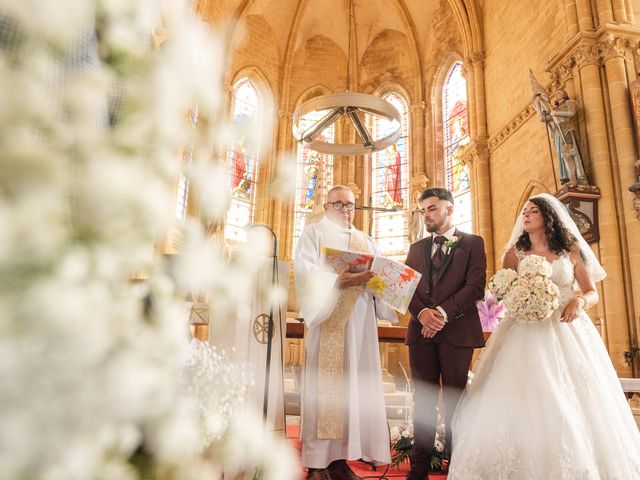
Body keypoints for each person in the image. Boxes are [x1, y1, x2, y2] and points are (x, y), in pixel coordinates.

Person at [448, 193, 640, 479]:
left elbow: (592, 292)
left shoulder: (571, 250)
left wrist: (580, 301)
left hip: (566, 327)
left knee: (574, 398)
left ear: (548, 216)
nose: (525, 215)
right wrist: (517, 299)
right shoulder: (514, 254)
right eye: (524, 210)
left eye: (533, 210)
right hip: (522, 330)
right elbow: (505, 292)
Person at [295, 185, 397, 480]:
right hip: (328, 324)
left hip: (360, 327)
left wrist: (382, 282)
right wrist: (338, 280)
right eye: (338, 204)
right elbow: (304, 275)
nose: (345, 210)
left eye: (350, 205)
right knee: (325, 393)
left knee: (351, 392)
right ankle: (317, 464)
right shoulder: (313, 233)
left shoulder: (365, 240)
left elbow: (382, 278)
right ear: (326, 207)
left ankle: (340, 460)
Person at [404, 187, 487, 480]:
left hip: (458, 332)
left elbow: (475, 286)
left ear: (450, 210)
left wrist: (440, 313)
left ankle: (457, 465)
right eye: (423, 210)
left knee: (455, 399)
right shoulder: (416, 249)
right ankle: (418, 470)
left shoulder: (473, 243)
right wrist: (422, 313)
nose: (426, 215)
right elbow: (406, 287)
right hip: (420, 333)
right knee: (423, 400)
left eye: (432, 208)